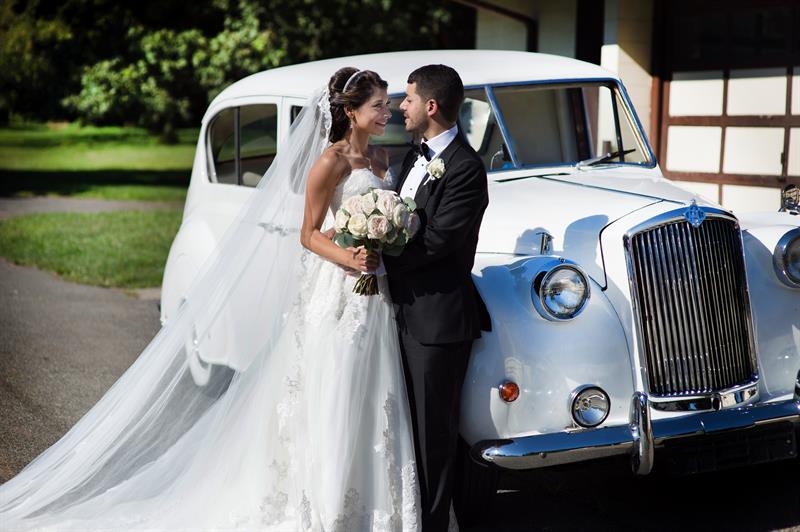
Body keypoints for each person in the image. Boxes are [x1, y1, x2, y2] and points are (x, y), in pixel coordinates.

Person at [0, 68, 425, 531]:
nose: (388, 112)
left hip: (372, 292)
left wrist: (384, 241)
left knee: (372, 389)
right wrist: (347, 255)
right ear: (350, 112)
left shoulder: (383, 159)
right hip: (336, 289)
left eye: (389, 104)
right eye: (379, 105)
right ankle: (326, 507)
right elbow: (308, 234)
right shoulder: (330, 163)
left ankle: (370, 502)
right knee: (333, 385)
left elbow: (374, 219)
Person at [384, 65, 489, 531]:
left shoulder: (465, 169)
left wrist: (376, 260)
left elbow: (438, 241)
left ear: (430, 106)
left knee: (433, 438)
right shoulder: (411, 155)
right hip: (394, 313)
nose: (397, 107)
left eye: (406, 99)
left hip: (435, 322)